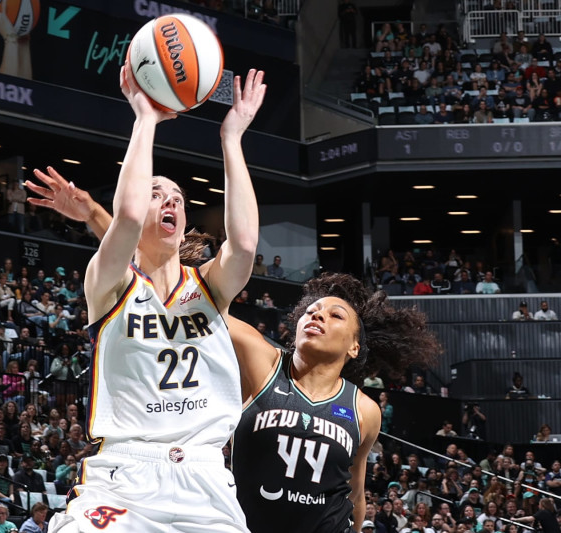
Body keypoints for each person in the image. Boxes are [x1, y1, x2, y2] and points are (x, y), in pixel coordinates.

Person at [27, 145, 437, 533]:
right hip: (214, 501)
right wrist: (98, 216)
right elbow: (150, 277)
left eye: (334, 314)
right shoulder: (262, 360)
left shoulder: (363, 410)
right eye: (312, 310)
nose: (317, 315)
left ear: (354, 346)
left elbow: (355, 492)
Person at [47, 65, 265, 533]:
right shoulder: (109, 284)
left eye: (178, 198)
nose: (170, 201)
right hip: (125, 473)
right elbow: (124, 220)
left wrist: (232, 138)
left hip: (204, 476)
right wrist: (144, 118)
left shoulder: (210, 287)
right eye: (156, 194)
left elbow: (244, 244)